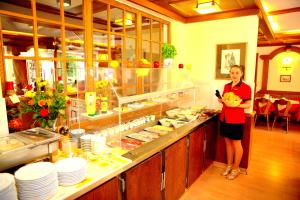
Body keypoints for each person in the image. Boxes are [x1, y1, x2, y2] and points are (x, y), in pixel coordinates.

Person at [218, 65, 251, 180]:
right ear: (230, 74)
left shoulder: (246, 87)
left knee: (237, 144)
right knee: (227, 143)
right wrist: (221, 100)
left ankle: (236, 169)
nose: (234, 75)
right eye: (232, 73)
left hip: (237, 119)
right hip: (225, 118)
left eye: (237, 72)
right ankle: (229, 165)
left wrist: (237, 104)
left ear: (241, 73)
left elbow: (248, 104)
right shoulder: (226, 86)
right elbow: (225, 101)